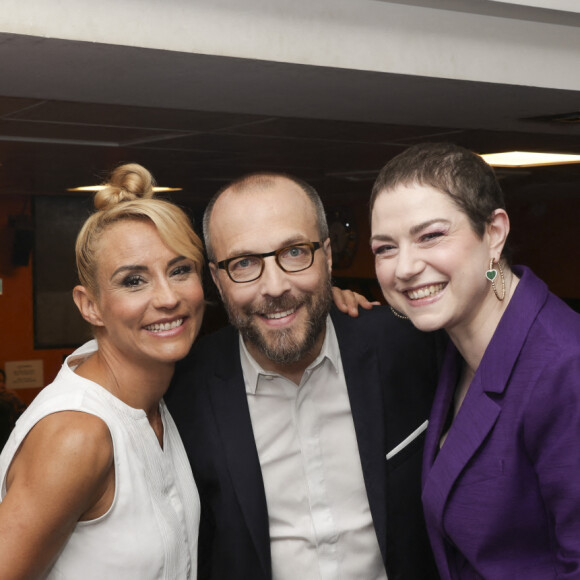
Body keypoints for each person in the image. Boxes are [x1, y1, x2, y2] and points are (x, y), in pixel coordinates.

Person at [166, 172, 443, 580]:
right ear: (218, 279)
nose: (275, 286)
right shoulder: (182, 390)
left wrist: (495, 272)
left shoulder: (407, 345)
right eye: (244, 263)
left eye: (295, 252)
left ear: (327, 256)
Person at [370, 142, 580, 579]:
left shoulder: (565, 366)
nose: (404, 267)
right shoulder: (450, 344)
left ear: (494, 232)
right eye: (385, 248)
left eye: (430, 236)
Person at [0, 163, 205, 579]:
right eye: (133, 281)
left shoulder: (157, 398)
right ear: (89, 304)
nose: (168, 298)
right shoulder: (77, 434)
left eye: (180, 270)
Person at [0, 369, 26, 450]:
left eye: (3, 381)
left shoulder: (10, 397)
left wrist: (16, 399)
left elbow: (24, 415)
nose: (1, 384)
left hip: (7, 443)